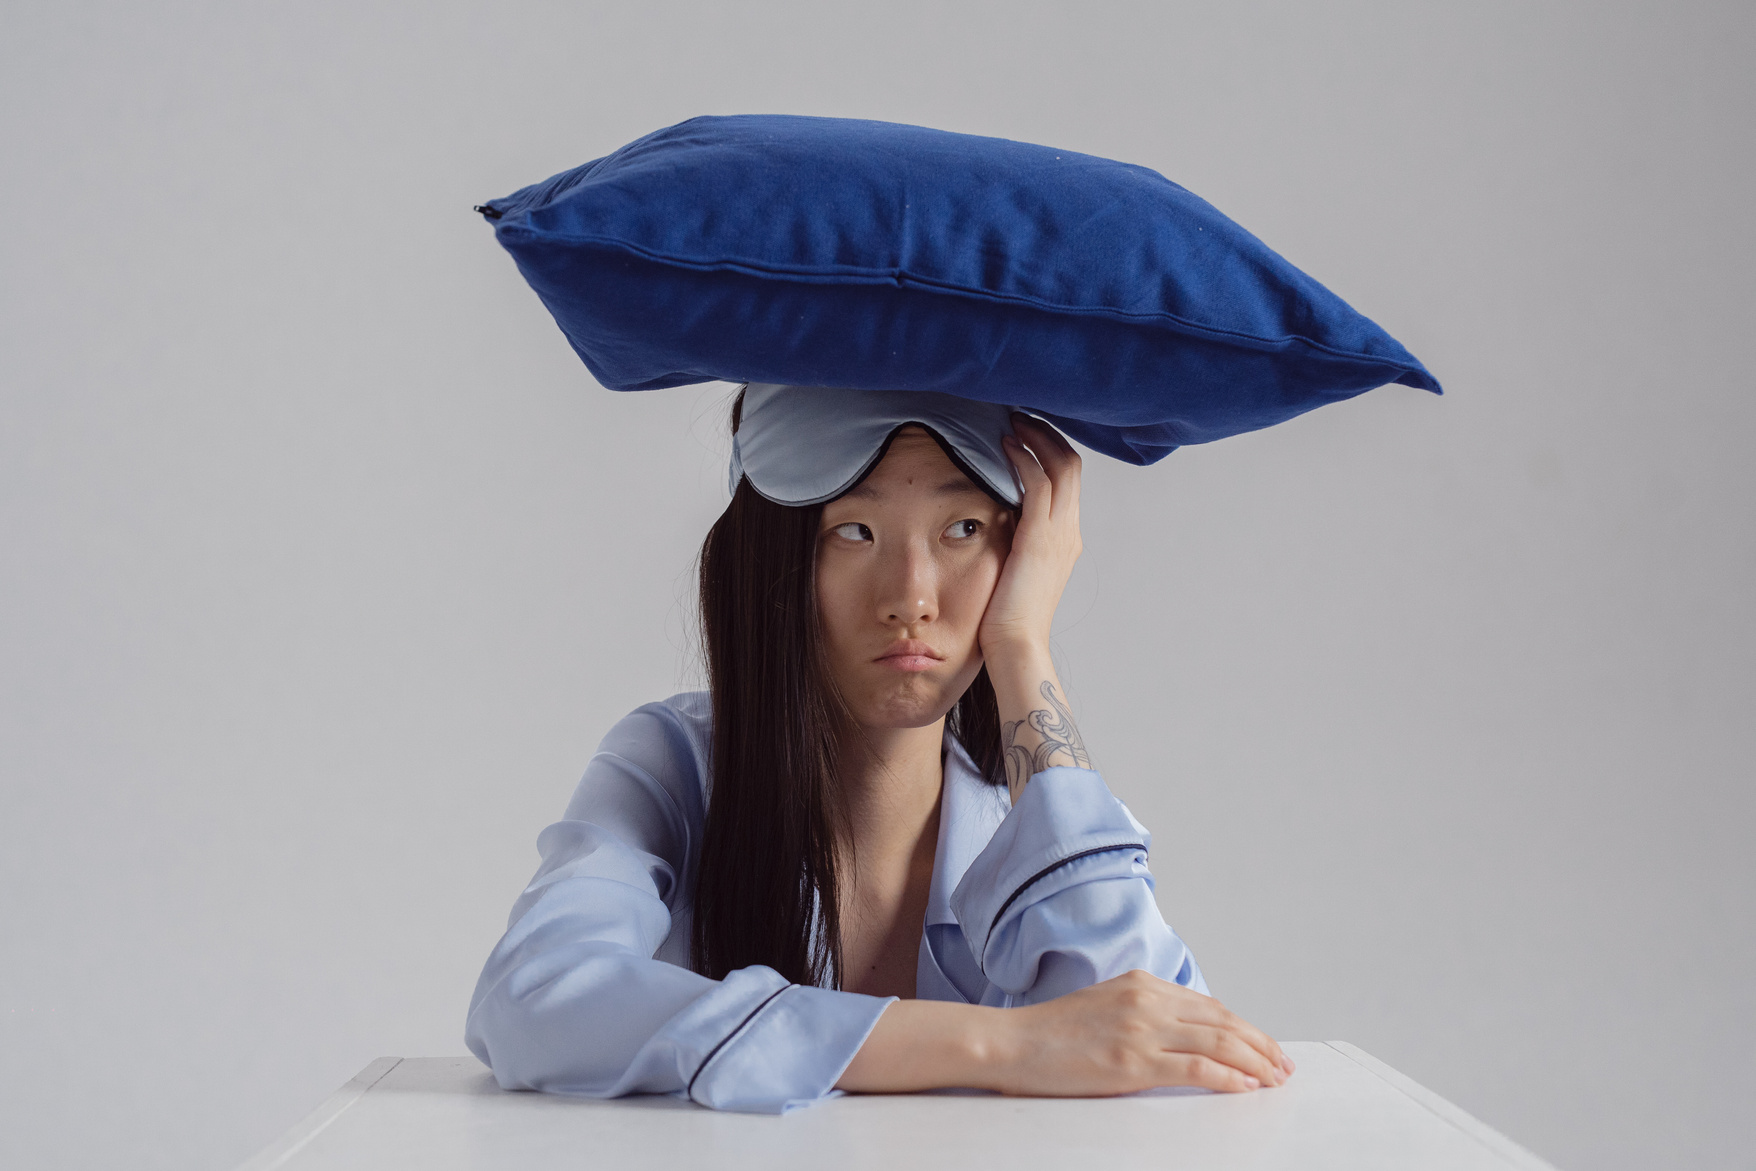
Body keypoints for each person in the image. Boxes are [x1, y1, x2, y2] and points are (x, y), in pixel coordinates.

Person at [464, 384, 1294, 1112]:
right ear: (775, 562)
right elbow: (532, 998)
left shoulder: (1042, 823)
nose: (911, 597)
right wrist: (1002, 1046)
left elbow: (1153, 1053)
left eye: (963, 528)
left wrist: (1021, 647)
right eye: (853, 531)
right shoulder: (675, 763)